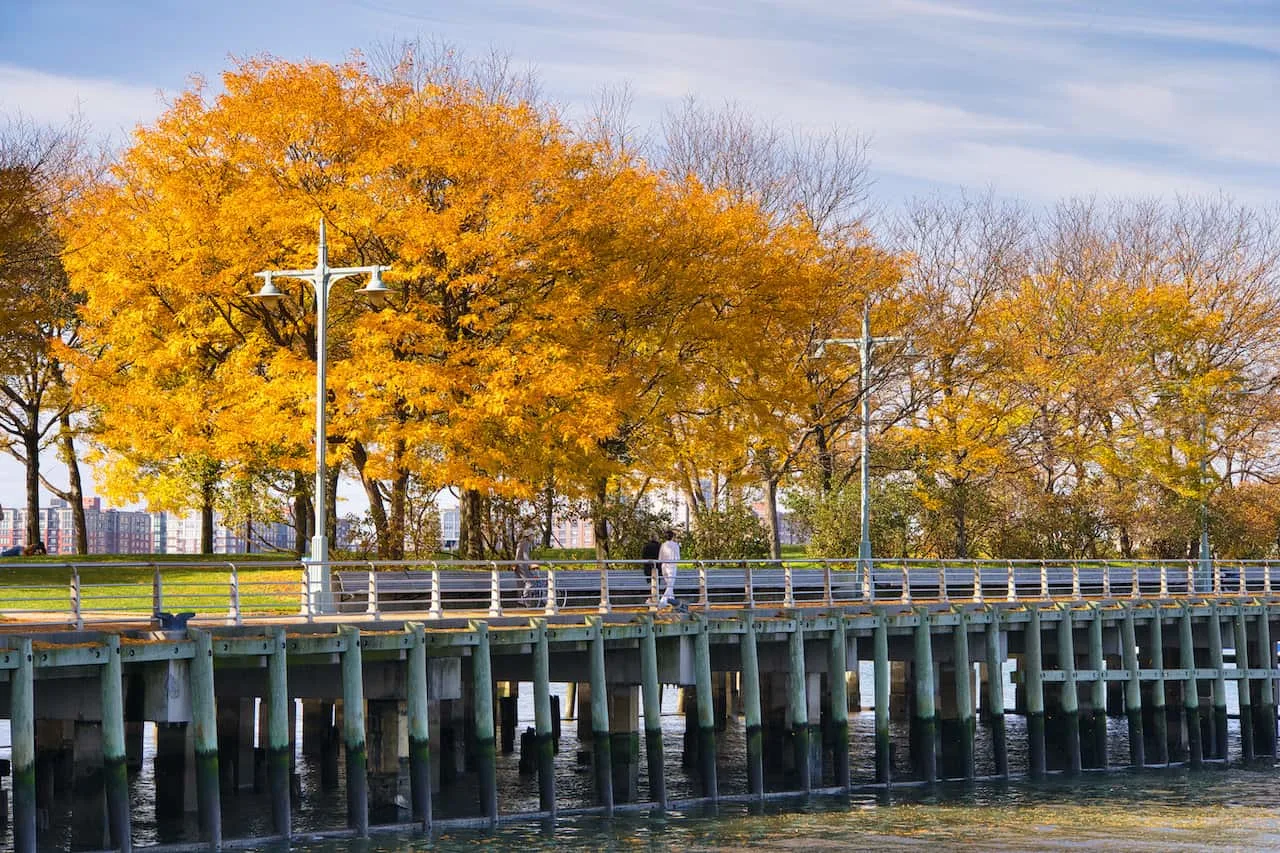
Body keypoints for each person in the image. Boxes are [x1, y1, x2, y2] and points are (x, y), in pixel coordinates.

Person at [658, 529, 684, 611]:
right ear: (672, 536)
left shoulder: (663, 545)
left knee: (669, 585)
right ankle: (663, 602)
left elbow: (660, 558)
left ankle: (672, 601)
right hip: (672, 566)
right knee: (670, 585)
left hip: (664, 566)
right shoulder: (675, 545)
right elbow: (678, 558)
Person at [514, 531, 537, 607]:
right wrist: (531, 564)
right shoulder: (526, 543)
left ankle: (520, 601)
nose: (533, 537)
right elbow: (525, 555)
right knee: (530, 582)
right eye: (532, 535)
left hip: (518, 565)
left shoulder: (520, 543)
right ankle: (525, 600)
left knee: (521, 584)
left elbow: (518, 556)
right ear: (528, 536)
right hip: (523, 565)